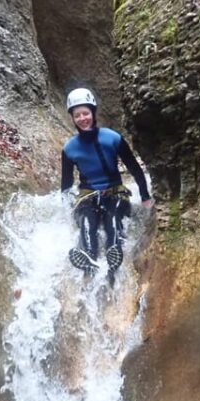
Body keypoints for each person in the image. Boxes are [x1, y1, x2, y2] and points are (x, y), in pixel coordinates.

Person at [60, 88, 153, 286]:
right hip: (87, 196)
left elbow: (134, 168)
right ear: (73, 118)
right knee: (86, 222)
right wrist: (67, 208)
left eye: (85, 113)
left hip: (115, 192)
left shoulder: (112, 138)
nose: (82, 118)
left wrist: (145, 196)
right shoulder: (69, 148)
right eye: (77, 115)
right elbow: (66, 185)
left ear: (93, 113)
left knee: (113, 220)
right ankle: (88, 258)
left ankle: (114, 254)